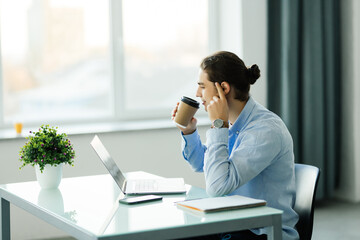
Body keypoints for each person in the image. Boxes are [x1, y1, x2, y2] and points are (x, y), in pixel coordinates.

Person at [171, 51, 299, 240]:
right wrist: (189, 131)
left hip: (261, 232)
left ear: (223, 88)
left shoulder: (265, 131)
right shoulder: (234, 123)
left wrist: (218, 126)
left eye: (202, 86)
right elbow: (201, 164)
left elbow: (216, 186)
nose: (198, 94)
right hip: (234, 223)